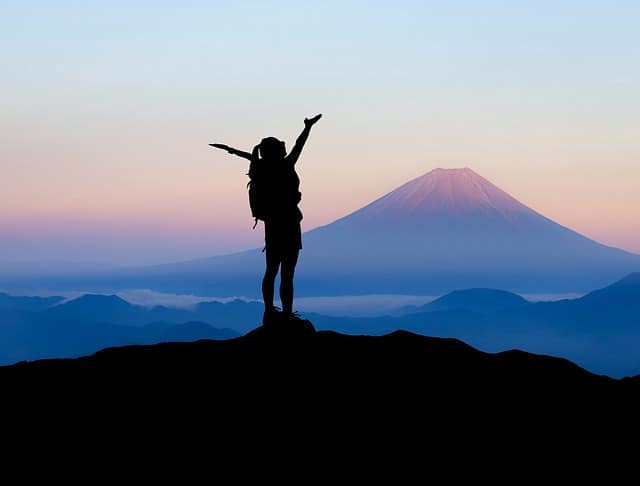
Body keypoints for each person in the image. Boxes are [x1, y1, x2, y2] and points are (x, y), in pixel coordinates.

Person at [210, 114, 322, 326]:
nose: (285, 150)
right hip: (289, 223)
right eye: (281, 148)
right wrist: (308, 128)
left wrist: (231, 150)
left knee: (271, 270)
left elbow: (251, 158)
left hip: (272, 225)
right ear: (277, 151)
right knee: (288, 272)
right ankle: (286, 312)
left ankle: (269, 310)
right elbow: (300, 145)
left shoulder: (261, 169)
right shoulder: (286, 165)